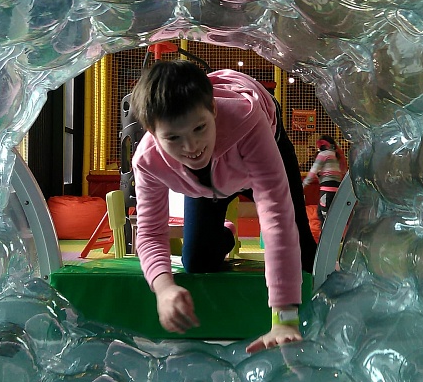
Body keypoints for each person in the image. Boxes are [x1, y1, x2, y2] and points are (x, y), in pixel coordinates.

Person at [130, 60, 318, 353]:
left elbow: (276, 216)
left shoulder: (247, 120)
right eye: (173, 138)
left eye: (199, 128)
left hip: (257, 145)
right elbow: (151, 231)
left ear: (214, 111)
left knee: (304, 251)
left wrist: (284, 318)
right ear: (153, 133)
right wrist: (163, 288)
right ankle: (225, 234)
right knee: (198, 262)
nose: (191, 146)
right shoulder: (147, 161)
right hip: (206, 183)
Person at [303, 135, 347, 226]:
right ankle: (334, 237)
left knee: (325, 217)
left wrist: (303, 184)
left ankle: (329, 239)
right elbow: (342, 171)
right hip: (336, 189)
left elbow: (313, 171)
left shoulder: (324, 154)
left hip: (327, 189)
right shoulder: (335, 155)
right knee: (322, 213)